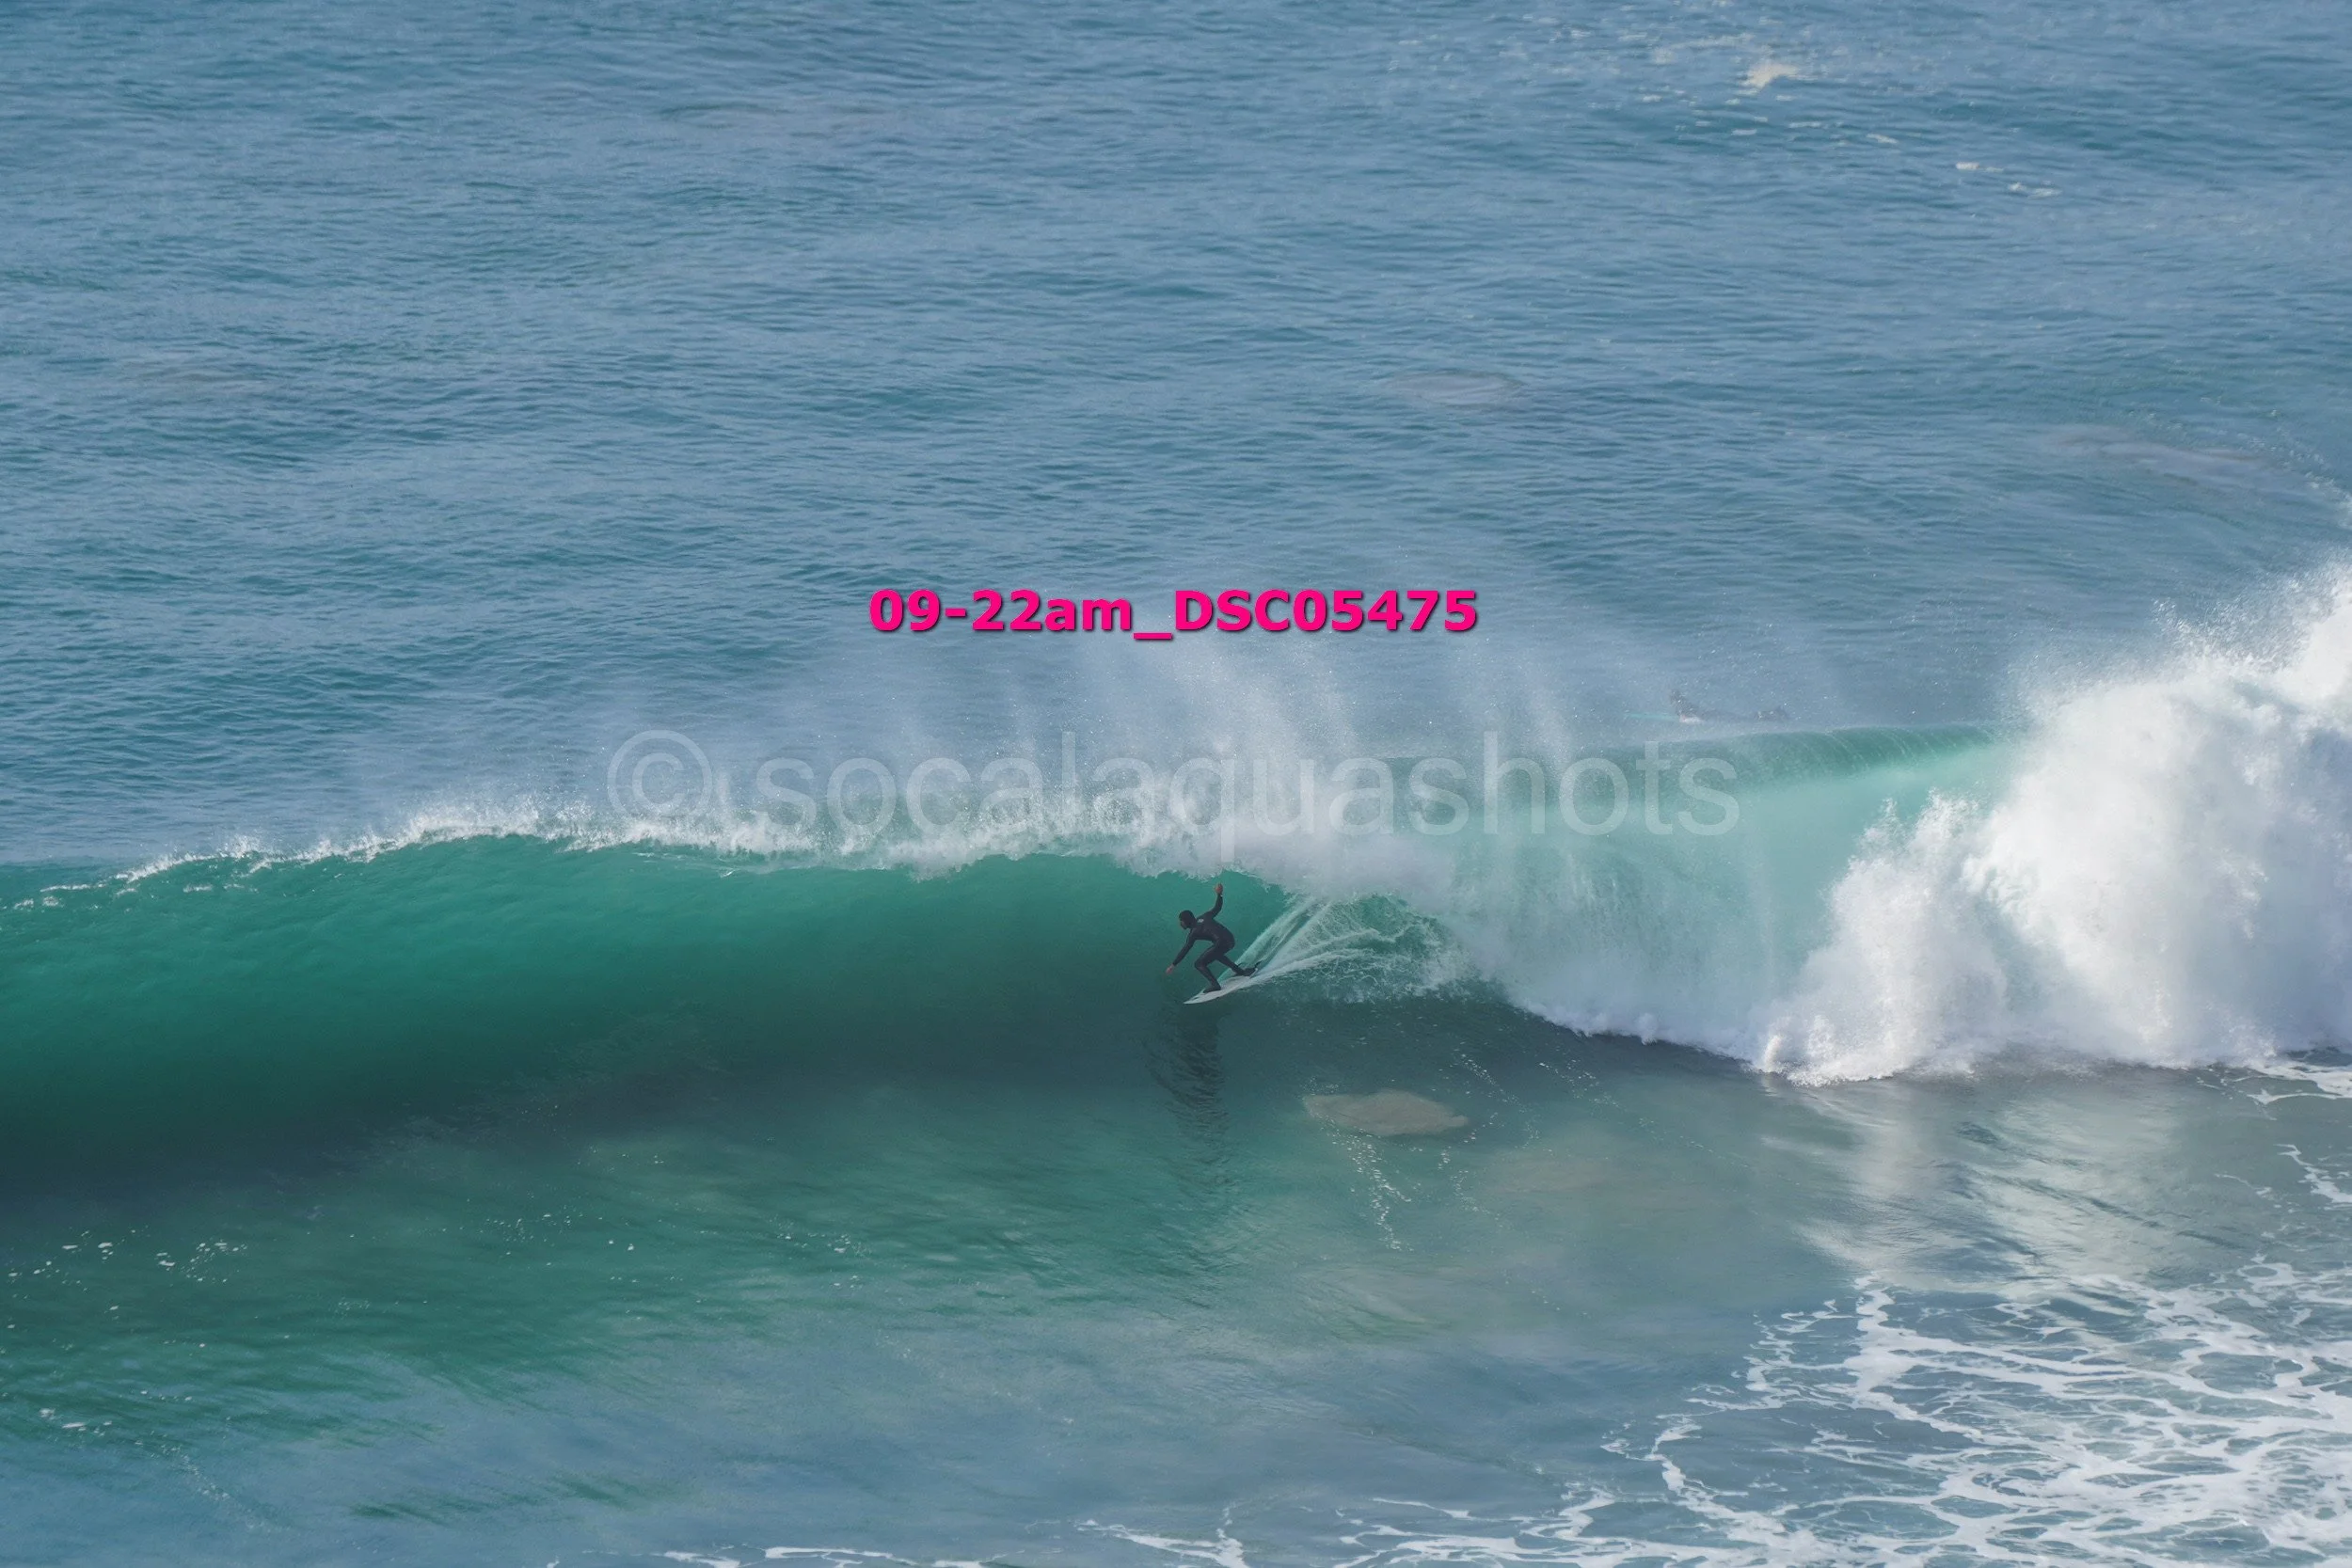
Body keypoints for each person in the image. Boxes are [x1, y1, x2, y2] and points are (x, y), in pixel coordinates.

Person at [1165, 882, 1257, 992]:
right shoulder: (1205, 916)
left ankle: (1215, 985)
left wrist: (1173, 965)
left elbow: (1186, 949)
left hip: (1222, 943)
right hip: (1230, 939)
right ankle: (1239, 971)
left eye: (1181, 921)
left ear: (1186, 921)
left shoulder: (1194, 932)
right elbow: (1217, 908)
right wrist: (1220, 894)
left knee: (1199, 963)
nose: (1180, 924)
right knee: (1216, 953)